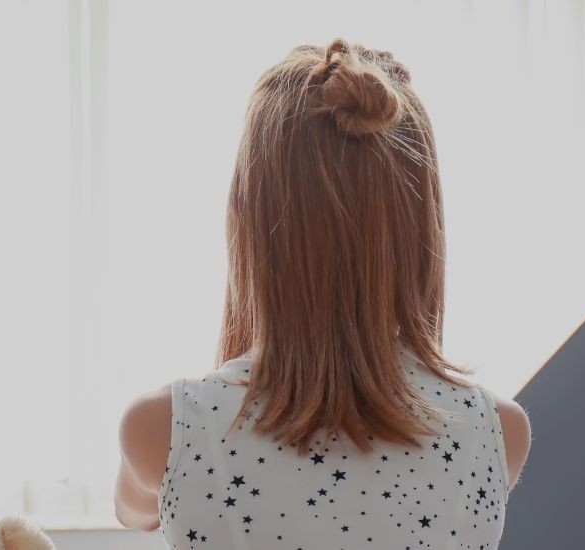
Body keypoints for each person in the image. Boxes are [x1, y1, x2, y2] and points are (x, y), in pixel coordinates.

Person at [113, 38, 532, 549]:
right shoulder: (496, 431)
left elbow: (133, 511)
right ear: (422, 227)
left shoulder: (165, 425)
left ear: (247, 219)